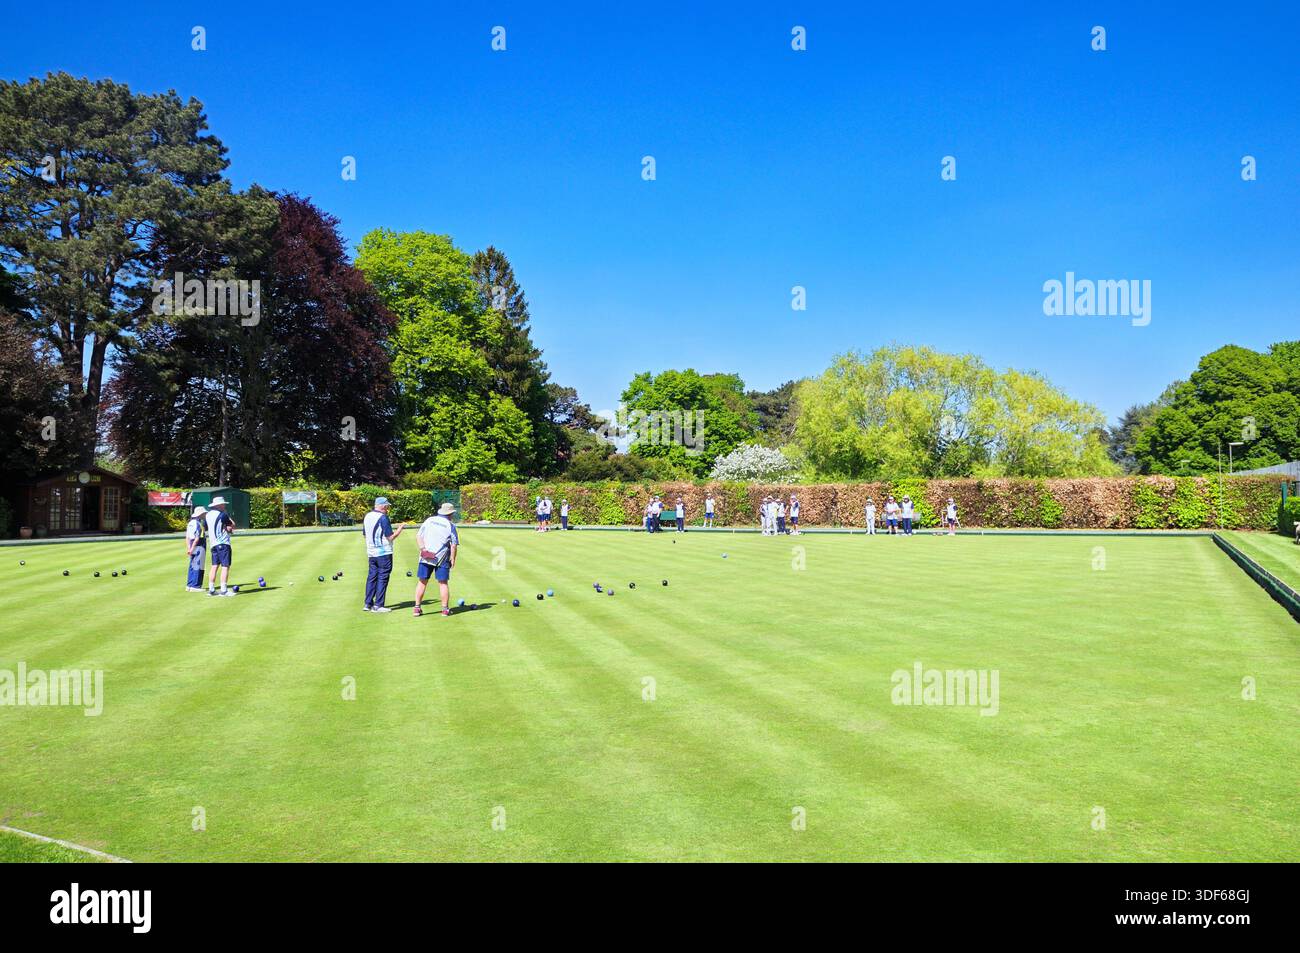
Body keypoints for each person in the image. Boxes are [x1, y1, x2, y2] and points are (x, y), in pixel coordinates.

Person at [413, 502, 459, 617]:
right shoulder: (450, 525)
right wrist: (453, 558)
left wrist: (423, 549)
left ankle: (417, 608)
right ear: (451, 514)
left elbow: (418, 536)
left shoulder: (429, 520)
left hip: (425, 556)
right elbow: (453, 544)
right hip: (441, 558)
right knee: (443, 583)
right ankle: (445, 610)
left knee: (422, 581)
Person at [362, 497, 405, 612]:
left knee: (372, 577)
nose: (387, 508)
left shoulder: (367, 516)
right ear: (382, 506)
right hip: (384, 553)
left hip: (371, 553)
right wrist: (399, 530)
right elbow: (390, 537)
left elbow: (365, 535)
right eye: (387, 506)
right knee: (382, 577)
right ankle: (378, 605)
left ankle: (367, 604)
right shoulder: (383, 517)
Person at [204, 496, 236, 596]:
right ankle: (224, 590)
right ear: (219, 505)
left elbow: (207, 526)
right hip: (223, 543)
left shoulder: (208, 515)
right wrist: (229, 527)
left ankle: (212, 589)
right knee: (225, 567)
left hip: (213, 544)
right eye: (223, 504)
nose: (224, 506)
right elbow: (232, 525)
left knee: (214, 566)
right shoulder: (222, 514)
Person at [185, 505, 207, 592]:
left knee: (192, 565)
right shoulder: (198, 524)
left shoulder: (190, 523)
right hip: (199, 546)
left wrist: (189, 548)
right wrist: (192, 548)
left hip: (192, 546)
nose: (205, 515)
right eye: (203, 513)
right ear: (200, 514)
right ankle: (195, 586)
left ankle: (189, 585)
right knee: (198, 566)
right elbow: (197, 538)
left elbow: (187, 537)